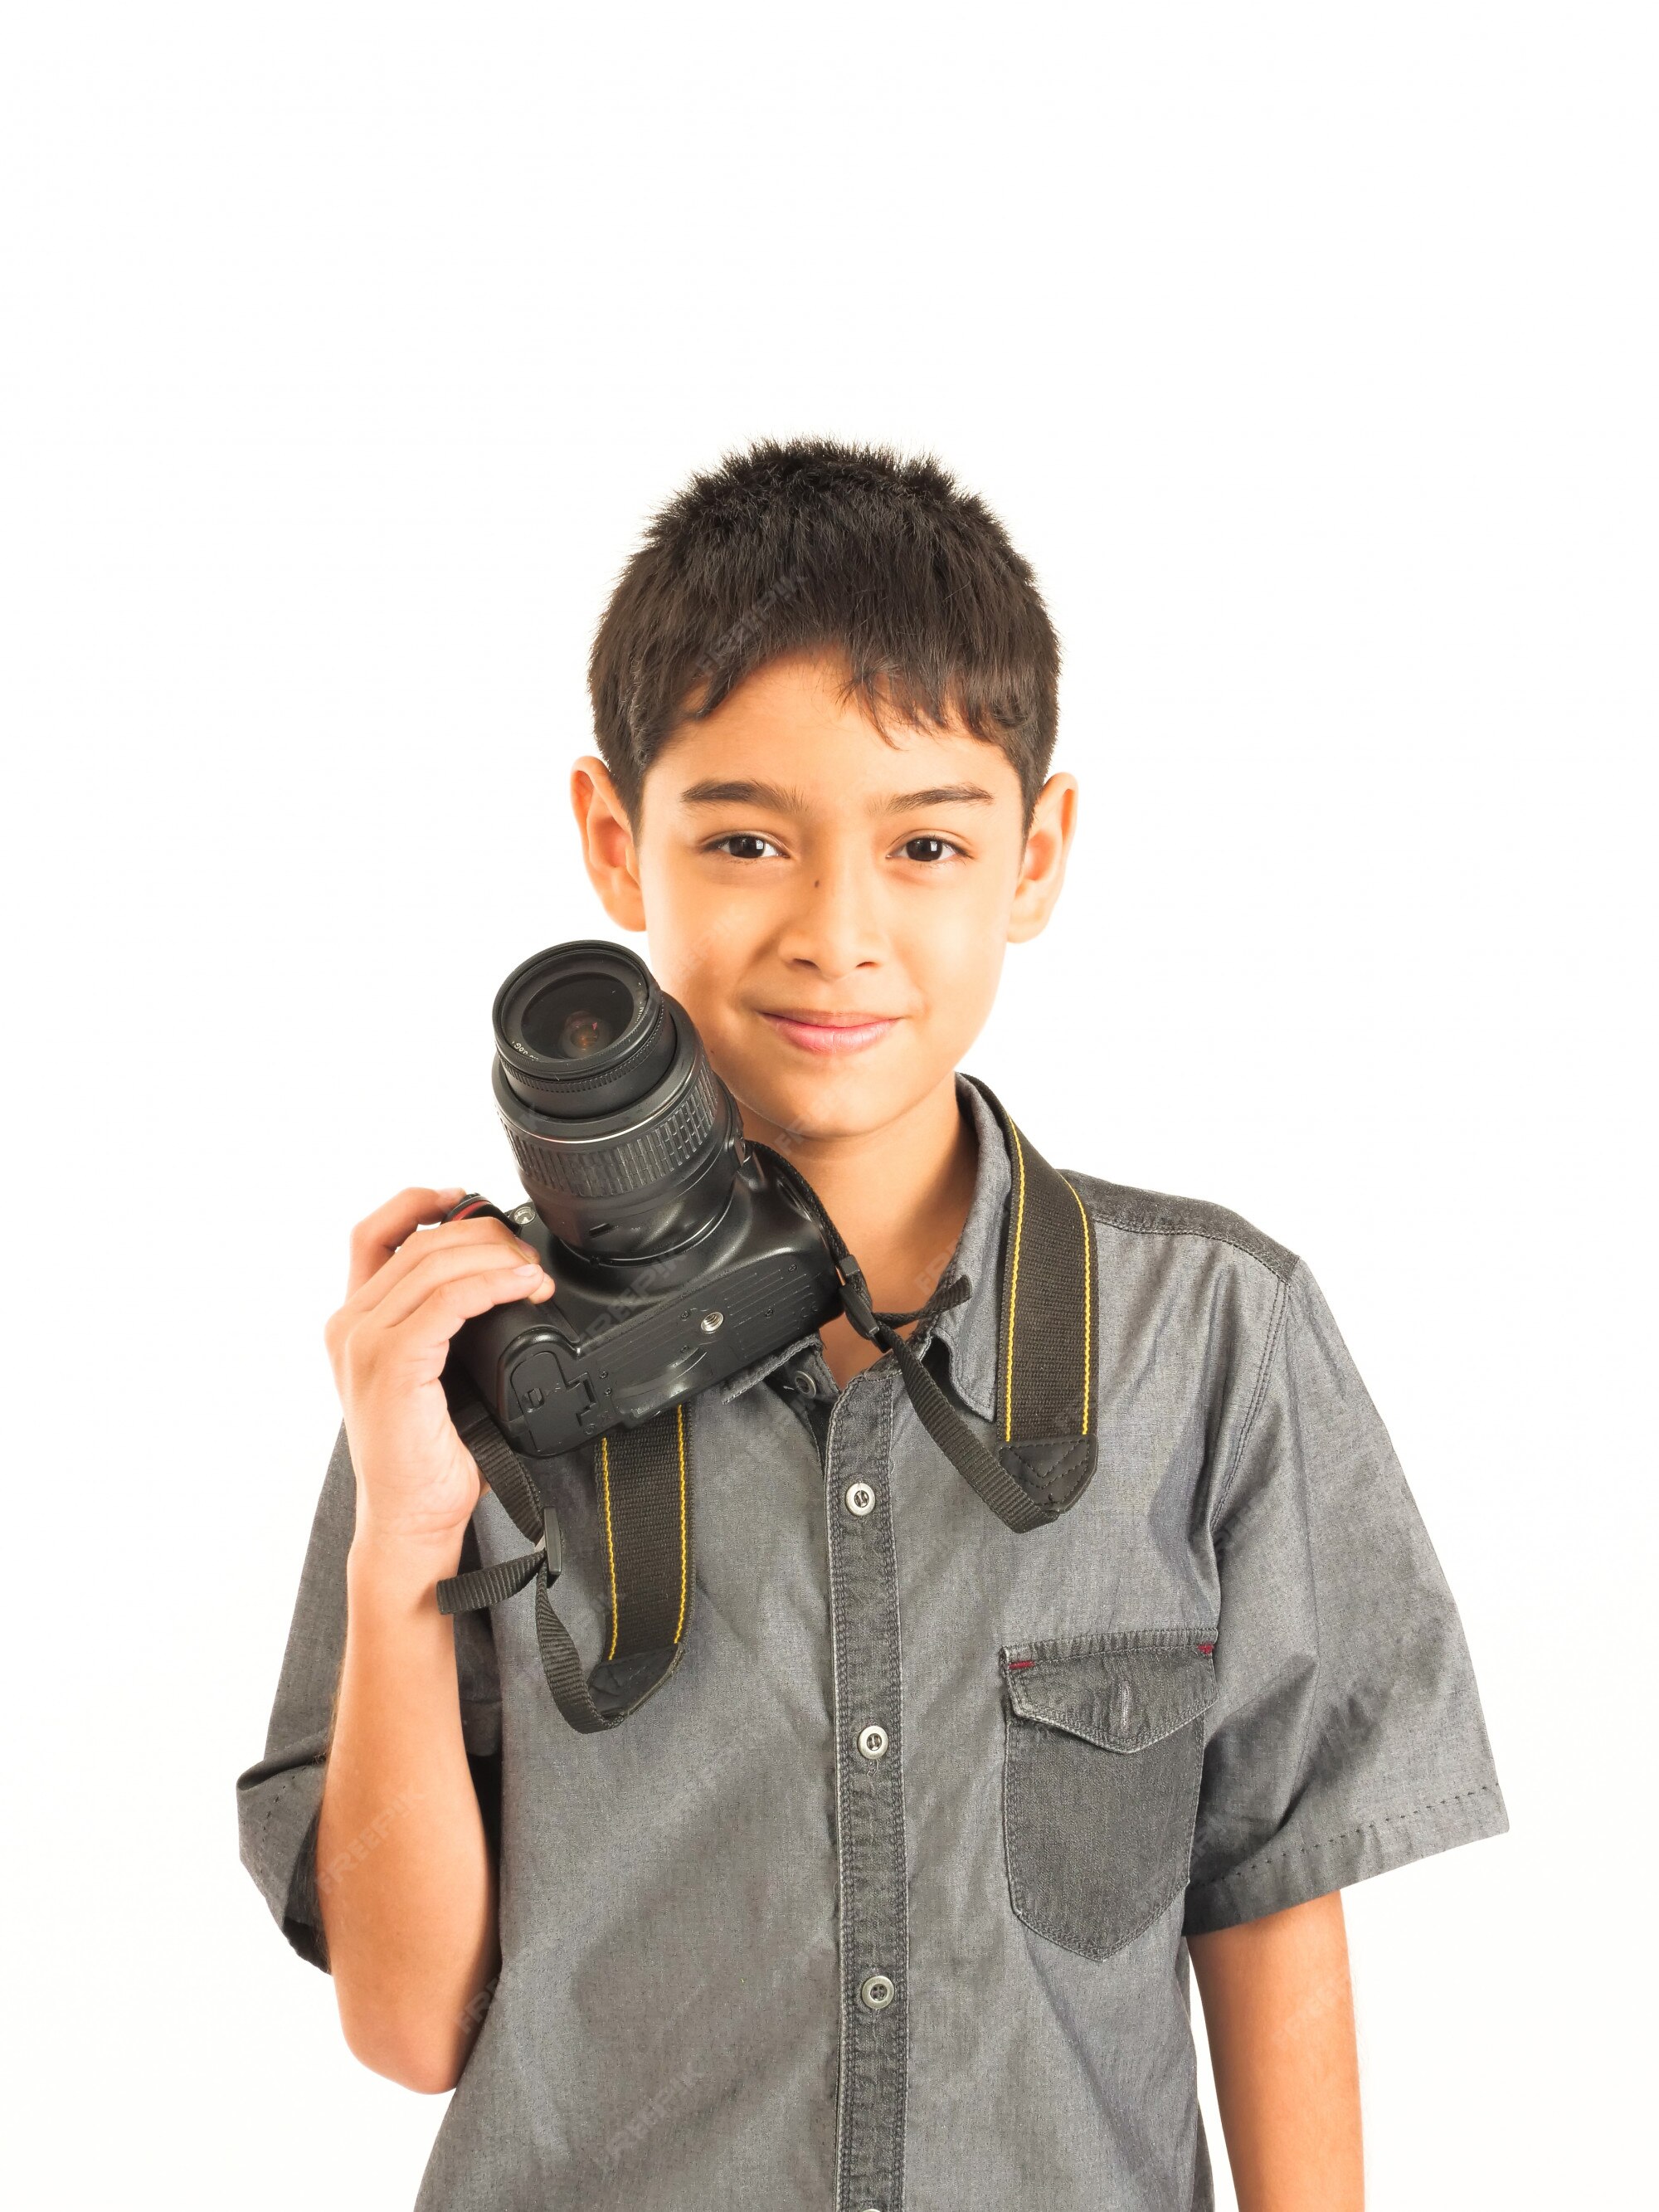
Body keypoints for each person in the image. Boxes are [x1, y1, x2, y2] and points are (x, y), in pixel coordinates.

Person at [236, 438, 1507, 2211]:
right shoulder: (479, 1355)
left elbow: (1270, 1903)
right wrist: (404, 1541)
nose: (838, 931)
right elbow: (408, 2023)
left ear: (1036, 854)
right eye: (744, 837)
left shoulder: (1206, 1334)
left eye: (924, 842)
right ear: (616, 842)